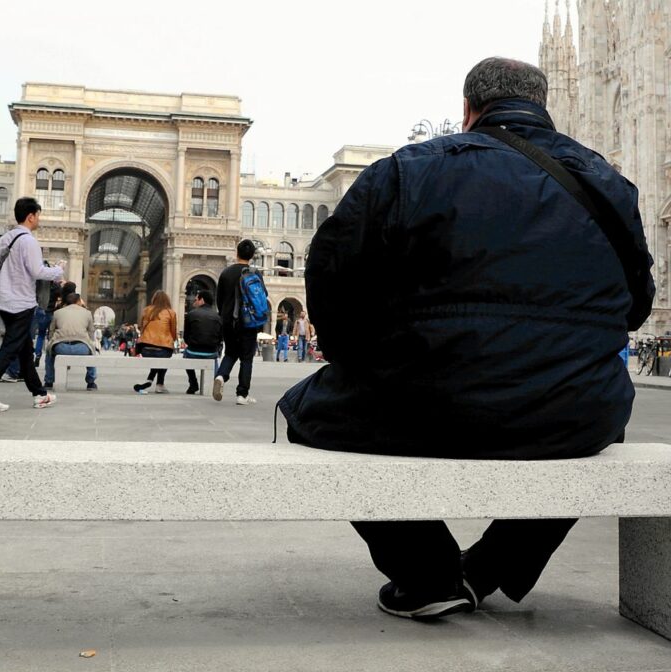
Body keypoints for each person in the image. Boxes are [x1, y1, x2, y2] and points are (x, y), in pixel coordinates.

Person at [277, 57, 655, 620]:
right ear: (543, 106)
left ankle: (426, 573)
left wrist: (355, 356)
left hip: (425, 401)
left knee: (309, 411)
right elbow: (639, 305)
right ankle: (487, 568)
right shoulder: (608, 186)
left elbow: (332, 279)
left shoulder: (408, 170)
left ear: (468, 109)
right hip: (569, 410)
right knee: (602, 416)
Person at [0, 197, 65, 411]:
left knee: (24, 350)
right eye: (38, 215)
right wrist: (58, 270)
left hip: (4, 302)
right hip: (21, 303)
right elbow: (38, 271)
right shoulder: (28, 241)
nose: (39, 219)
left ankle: (39, 393)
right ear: (31, 216)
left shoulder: (5, 239)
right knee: (10, 348)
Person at [213, 239, 264, 406]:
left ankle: (221, 376)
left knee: (230, 353)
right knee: (246, 358)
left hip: (229, 321)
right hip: (249, 322)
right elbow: (262, 296)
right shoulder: (255, 273)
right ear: (252, 255)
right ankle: (242, 395)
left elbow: (219, 299)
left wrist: (224, 315)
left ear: (237, 253)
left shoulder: (226, 273)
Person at [43, 292, 97, 390]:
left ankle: (49, 381)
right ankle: (91, 382)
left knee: (49, 353)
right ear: (78, 301)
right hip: (81, 348)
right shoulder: (87, 313)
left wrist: (51, 344)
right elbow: (91, 333)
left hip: (61, 347)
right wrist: (91, 344)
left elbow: (51, 331)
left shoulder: (57, 313)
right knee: (92, 351)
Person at [133, 291, 177, 394]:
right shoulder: (171, 313)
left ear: (154, 299)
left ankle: (149, 380)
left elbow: (141, 327)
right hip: (164, 349)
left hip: (146, 349)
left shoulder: (146, 310)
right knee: (163, 358)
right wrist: (171, 341)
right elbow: (173, 332)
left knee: (159, 359)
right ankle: (159, 384)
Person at [182, 289, 222, 394]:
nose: (194, 302)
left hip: (193, 351)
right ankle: (216, 379)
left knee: (185, 355)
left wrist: (192, 343)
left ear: (202, 300)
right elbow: (220, 338)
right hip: (211, 352)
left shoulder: (191, 314)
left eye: (196, 300)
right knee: (214, 358)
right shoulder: (217, 317)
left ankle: (193, 383)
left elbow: (186, 336)